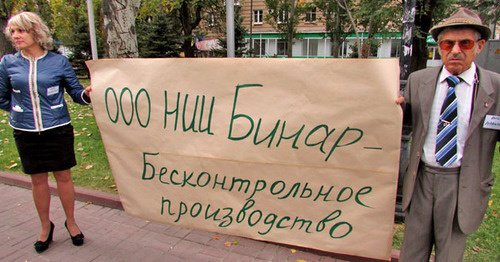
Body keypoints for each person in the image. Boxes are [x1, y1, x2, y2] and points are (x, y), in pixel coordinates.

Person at [396, 7, 499, 261]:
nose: (455, 50)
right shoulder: (419, 80)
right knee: (411, 254)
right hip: (421, 180)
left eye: (464, 43)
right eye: (447, 43)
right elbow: (402, 122)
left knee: (450, 255)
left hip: (462, 183)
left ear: (480, 46)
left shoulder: (495, 87)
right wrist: (394, 109)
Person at [0, 12, 92, 253]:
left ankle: (71, 223)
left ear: (36, 32)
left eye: (21, 30)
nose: (15, 36)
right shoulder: (7, 63)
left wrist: (88, 94)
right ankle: (45, 227)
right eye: (13, 32)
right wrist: (21, 110)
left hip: (58, 129)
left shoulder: (58, 62)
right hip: (25, 132)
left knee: (64, 177)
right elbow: (2, 97)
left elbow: (76, 94)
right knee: (38, 180)